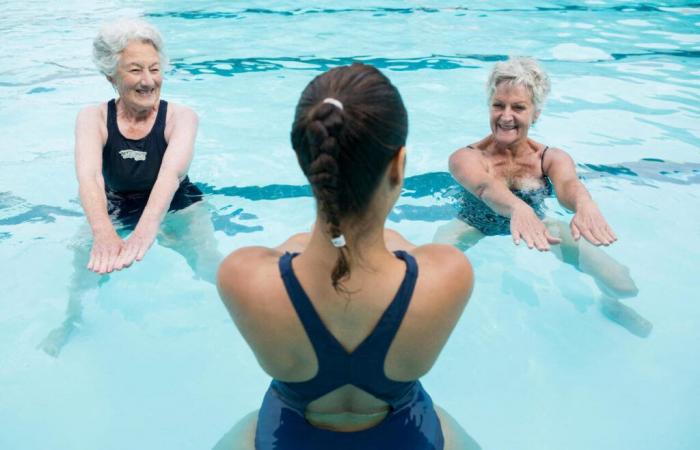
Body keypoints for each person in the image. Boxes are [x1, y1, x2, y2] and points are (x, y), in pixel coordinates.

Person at [217, 64, 478, 450]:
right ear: (398, 164)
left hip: (287, 436)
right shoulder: (448, 275)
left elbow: (296, 247)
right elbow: (397, 247)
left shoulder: (243, 277)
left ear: (305, 159)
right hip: (408, 435)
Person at [39, 18, 221, 356]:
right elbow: (89, 178)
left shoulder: (181, 117)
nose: (149, 81)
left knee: (209, 264)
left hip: (177, 202)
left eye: (154, 68)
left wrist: (145, 231)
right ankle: (71, 320)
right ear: (111, 75)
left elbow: (170, 176)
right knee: (83, 268)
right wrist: (103, 231)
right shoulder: (92, 118)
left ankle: (236, 318)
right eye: (135, 70)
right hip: (116, 203)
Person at [435, 56, 639, 301]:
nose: (506, 116)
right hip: (473, 224)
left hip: (540, 225)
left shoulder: (550, 158)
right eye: (498, 105)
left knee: (621, 284)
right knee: (428, 275)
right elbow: (483, 187)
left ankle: (609, 305)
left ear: (535, 114)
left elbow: (569, 185)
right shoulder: (466, 157)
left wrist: (584, 204)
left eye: (518, 107)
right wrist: (518, 208)